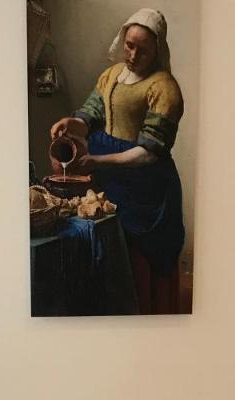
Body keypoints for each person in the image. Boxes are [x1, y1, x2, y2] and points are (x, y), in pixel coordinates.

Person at [50, 8, 186, 314]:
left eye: (143, 50)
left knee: (140, 259)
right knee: (110, 248)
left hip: (146, 186)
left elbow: (149, 152)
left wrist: (97, 160)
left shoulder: (164, 88)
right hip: (109, 180)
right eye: (129, 45)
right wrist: (70, 123)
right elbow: (89, 116)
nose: (133, 55)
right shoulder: (111, 75)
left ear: (157, 50)